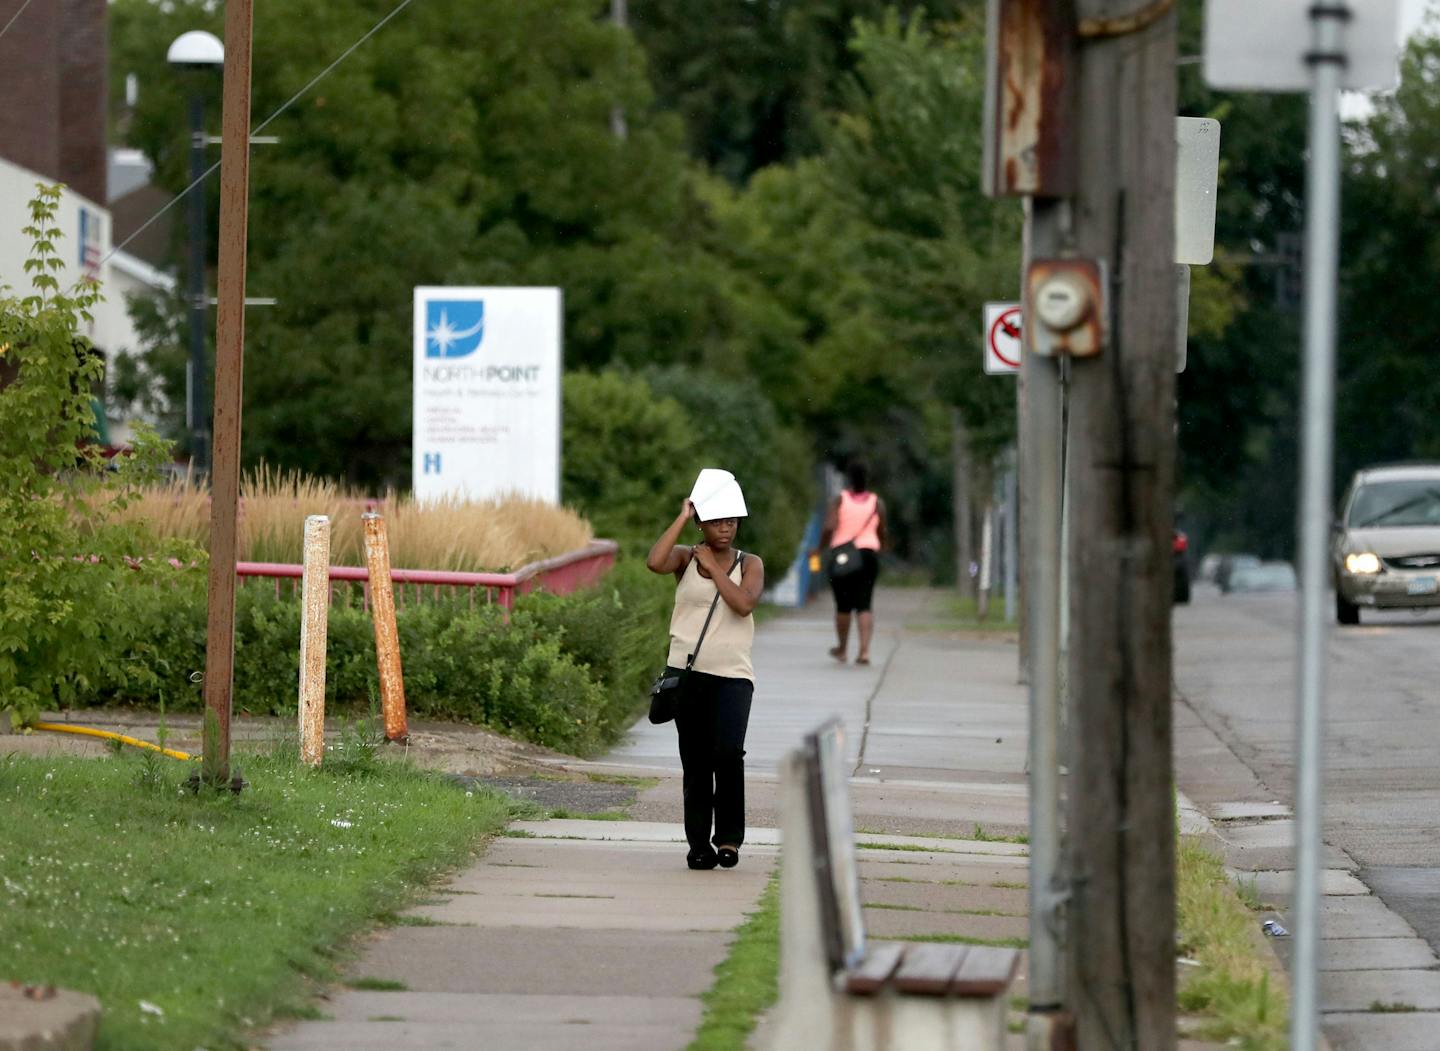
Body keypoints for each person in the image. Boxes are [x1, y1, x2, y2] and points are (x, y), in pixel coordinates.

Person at [646, 469, 766, 871]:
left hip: (733, 675)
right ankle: (699, 844)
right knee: (696, 760)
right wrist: (682, 516)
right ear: (702, 521)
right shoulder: (685, 557)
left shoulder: (751, 564)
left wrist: (715, 569)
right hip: (688, 673)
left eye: (731, 521)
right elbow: (654, 562)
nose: (725, 529)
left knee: (728, 753)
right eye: (716, 520)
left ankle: (729, 839)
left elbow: (744, 604)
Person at [818, 461, 886, 665]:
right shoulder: (877, 503)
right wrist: (879, 547)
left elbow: (829, 527)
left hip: (843, 557)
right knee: (865, 604)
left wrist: (820, 548)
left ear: (848, 479)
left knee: (843, 605)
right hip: (868, 555)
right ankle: (864, 651)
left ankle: (842, 649)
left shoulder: (839, 500)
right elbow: (883, 531)